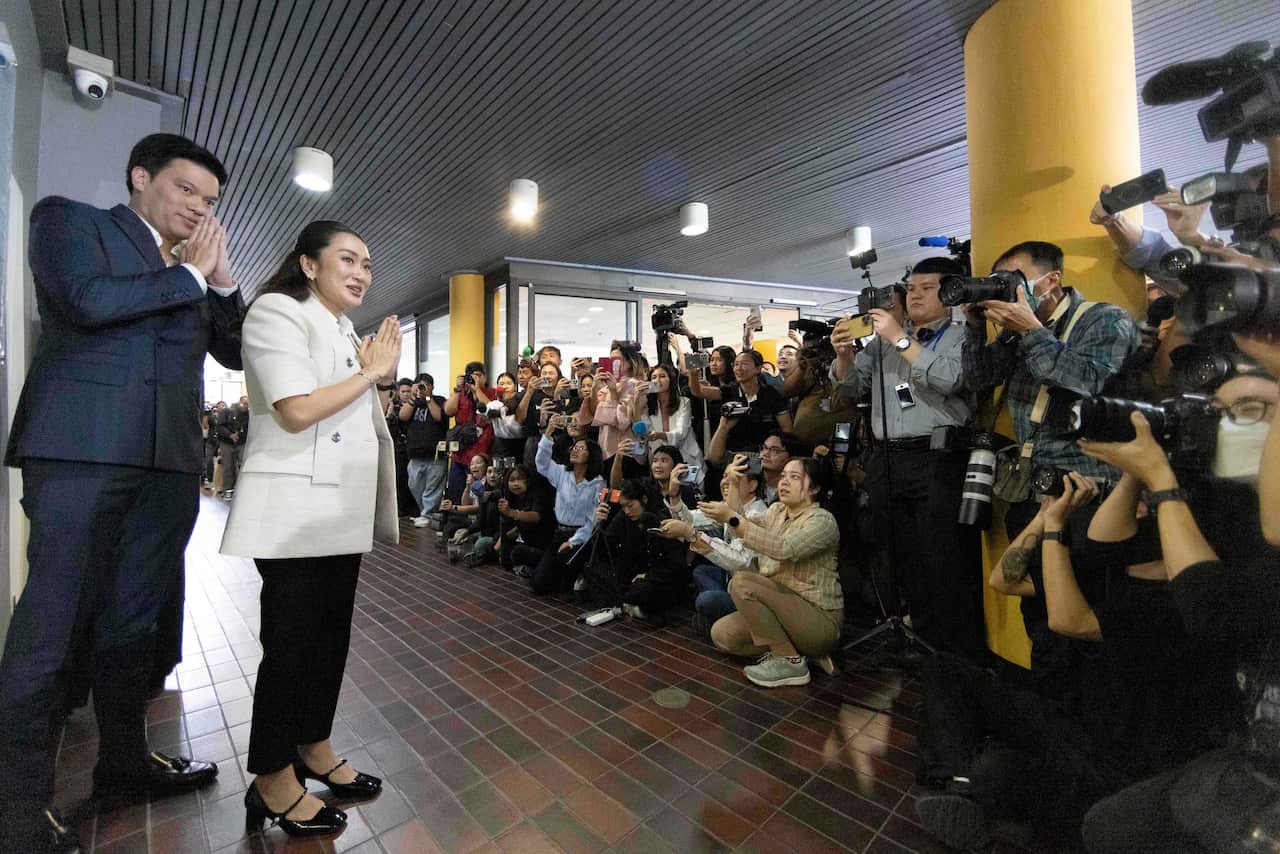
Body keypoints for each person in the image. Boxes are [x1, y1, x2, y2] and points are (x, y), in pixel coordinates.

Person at [0, 133, 243, 852]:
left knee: (134, 629)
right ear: (141, 177)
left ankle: (125, 768)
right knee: (51, 632)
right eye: (186, 190)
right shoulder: (70, 222)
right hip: (84, 453)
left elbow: (232, 350)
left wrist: (223, 281)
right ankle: (16, 812)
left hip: (168, 467)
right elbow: (83, 300)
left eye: (210, 202)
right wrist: (191, 279)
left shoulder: (194, 272)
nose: (199, 208)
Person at [220, 220, 400, 837]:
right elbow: (295, 411)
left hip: (338, 511)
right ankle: (271, 778)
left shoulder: (344, 328)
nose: (360, 273)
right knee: (291, 646)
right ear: (308, 264)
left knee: (330, 641)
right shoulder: (277, 311)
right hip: (295, 512)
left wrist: (367, 370)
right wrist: (371, 374)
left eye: (367, 264)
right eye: (347, 259)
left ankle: (314, 748)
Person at [830, 258, 984, 655]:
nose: (914, 294)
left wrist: (900, 337)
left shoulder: (962, 336)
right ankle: (923, 644)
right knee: (899, 556)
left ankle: (955, 655)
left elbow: (951, 379)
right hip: (887, 459)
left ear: (950, 294)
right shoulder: (882, 344)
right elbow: (849, 388)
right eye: (911, 288)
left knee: (943, 558)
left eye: (926, 288)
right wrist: (844, 355)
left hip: (937, 459)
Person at [700, 458, 843, 687]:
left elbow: (784, 548)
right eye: (784, 476)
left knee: (742, 582)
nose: (784, 481)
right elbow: (743, 527)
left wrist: (731, 518)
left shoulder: (823, 521)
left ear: (815, 488)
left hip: (818, 620)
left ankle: (790, 662)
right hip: (781, 611)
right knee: (722, 634)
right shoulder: (776, 510)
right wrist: (735, 486)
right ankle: (800, 654)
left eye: (795, 477)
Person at [661, 455, 769, 634]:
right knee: (700, 571)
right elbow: (689, 520)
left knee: (706, 600)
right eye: (725, 476)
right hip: (730, 580)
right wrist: (674, 494)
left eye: (734, 478)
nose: (726, 482)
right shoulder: (726, 506)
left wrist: (692, 535)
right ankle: (720, 615)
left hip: (751, 593)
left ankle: (726, 619)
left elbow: (741, 561)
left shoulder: (758, 514)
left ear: (752, 485)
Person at [584, 479, 689, 620]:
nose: (627, 511)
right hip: (629, 574)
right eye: (623, 507)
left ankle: (622, 603)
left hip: (654, 575)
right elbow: (604, 549)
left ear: (643, 499)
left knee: (647, 590)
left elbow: (675, 563)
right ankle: (625, 604)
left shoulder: (658, 518)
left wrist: (648, 575)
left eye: (631, 505)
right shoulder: (623, 517)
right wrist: (599, 525)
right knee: (591, 569)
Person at [531, 415, 606, 595]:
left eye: (581, 449)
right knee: (538, 585)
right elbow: (541, 463)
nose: (575, 450)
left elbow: (593, 521)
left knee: (564, 585)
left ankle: (573, 573)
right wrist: (549, 432)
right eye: (574, 448)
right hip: (559, 533)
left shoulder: (598, 483)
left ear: (591, 456)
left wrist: (573, 541)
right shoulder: (562, 472)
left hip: (581, 537)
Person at [688, 349, 793, 453]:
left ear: (758, 368)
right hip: (735, 453)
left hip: (764, 453)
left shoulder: (771, 394)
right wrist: (693, 374)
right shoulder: (730, 390)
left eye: (744, 364)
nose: (738, 368)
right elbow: (699, 392)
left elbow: (787, 429)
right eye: (736, 364)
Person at [639, 363, 703, 479]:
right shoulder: (647, 406)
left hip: (686, 457)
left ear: (671, 379)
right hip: (659, 462)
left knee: (690, 493)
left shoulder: (684, 402)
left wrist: (659, 435)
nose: (657, 380)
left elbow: (681, 433)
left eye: (662, 376)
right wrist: (637, 398)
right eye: (654, 377)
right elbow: (644, 430)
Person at [443, 361, 496, 502]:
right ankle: (455, 517)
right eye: (471, 376)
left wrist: (477, 389)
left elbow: (490, 409)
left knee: (477, 494)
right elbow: (448, 411)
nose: (474, 379)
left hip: (481, 454)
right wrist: (457, 390)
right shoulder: (461, 394)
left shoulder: (491, 393)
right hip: (460, 452)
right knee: (456, 491)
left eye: (478, 375)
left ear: (484, 377)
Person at [405, 373, 449, 527]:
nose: (422, 388)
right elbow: (403, 416)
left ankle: (427, 514)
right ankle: (426, 513)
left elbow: (439, 417)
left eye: (425, 385)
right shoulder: (413, 402)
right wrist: (414, 397)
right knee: (414, 485)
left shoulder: (440, 400)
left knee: (433, 488)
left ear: (432, 387)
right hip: (415, 455)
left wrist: (428, 398)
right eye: (419, 385)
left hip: (435, 455)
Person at [496, 464, 555, 578]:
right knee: (506, 558)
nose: (516, 483)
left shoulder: (537, 494)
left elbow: (536, 516)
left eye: (520, 479)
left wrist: (512, 513)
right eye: (512, 480)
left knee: (517, 553)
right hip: (527, 540)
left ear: (527, 480)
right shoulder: (512, 497)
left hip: (544, 545)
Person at [388, 379, 419, 516]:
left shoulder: (417, 406)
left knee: (414, 480)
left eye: (408, 391)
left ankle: (413, 507)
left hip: (414, 448)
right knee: (400, 478)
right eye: (403, 391)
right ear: (398, 393)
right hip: (399, 448)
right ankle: (401, 508)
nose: (406, 394)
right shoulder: (394, 408)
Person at [214, 393, 249, 497]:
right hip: (226, 442)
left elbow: (248, 428)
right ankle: (228, 490)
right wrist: (230, 435)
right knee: (228, 466)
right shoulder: (226, 412)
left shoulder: (248, 414)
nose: (246, 406)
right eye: (244, 404)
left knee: (242, 465)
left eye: (247, 404)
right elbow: (219, 427)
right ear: (239, 402)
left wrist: (240, 435)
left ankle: (241, 489)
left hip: (241, 442)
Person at [489, 371, 525, 461]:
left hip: (520, 444)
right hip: (500, 445)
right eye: (501, 384)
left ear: (515, 386)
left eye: (509, 383)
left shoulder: (522, 401)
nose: (505, 387)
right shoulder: (494, 404)